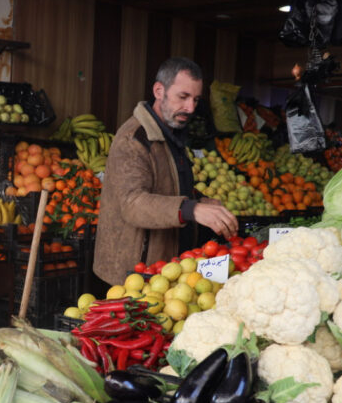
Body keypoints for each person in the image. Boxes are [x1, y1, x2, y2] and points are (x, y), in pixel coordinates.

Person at [93, 57, 238, 286]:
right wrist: (192, 209)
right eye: (183, 97)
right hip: (133, 275)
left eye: (196, 99)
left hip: (163, 270)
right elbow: (133, 203)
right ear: (159, 91)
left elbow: (168, 185)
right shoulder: (134, 139)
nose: (190, 108)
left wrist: (202, 201)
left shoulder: (171, 132)